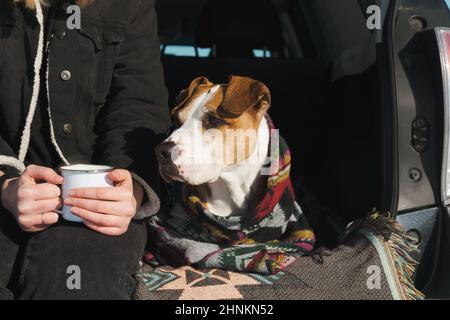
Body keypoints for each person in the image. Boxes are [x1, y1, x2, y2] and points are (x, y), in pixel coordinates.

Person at [0, 0, 170, 299]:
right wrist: (6, 182)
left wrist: (131, 192)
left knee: (73, 283)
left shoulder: (132, 6)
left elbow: (138, 109)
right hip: (6, 186)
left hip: (97, 204)